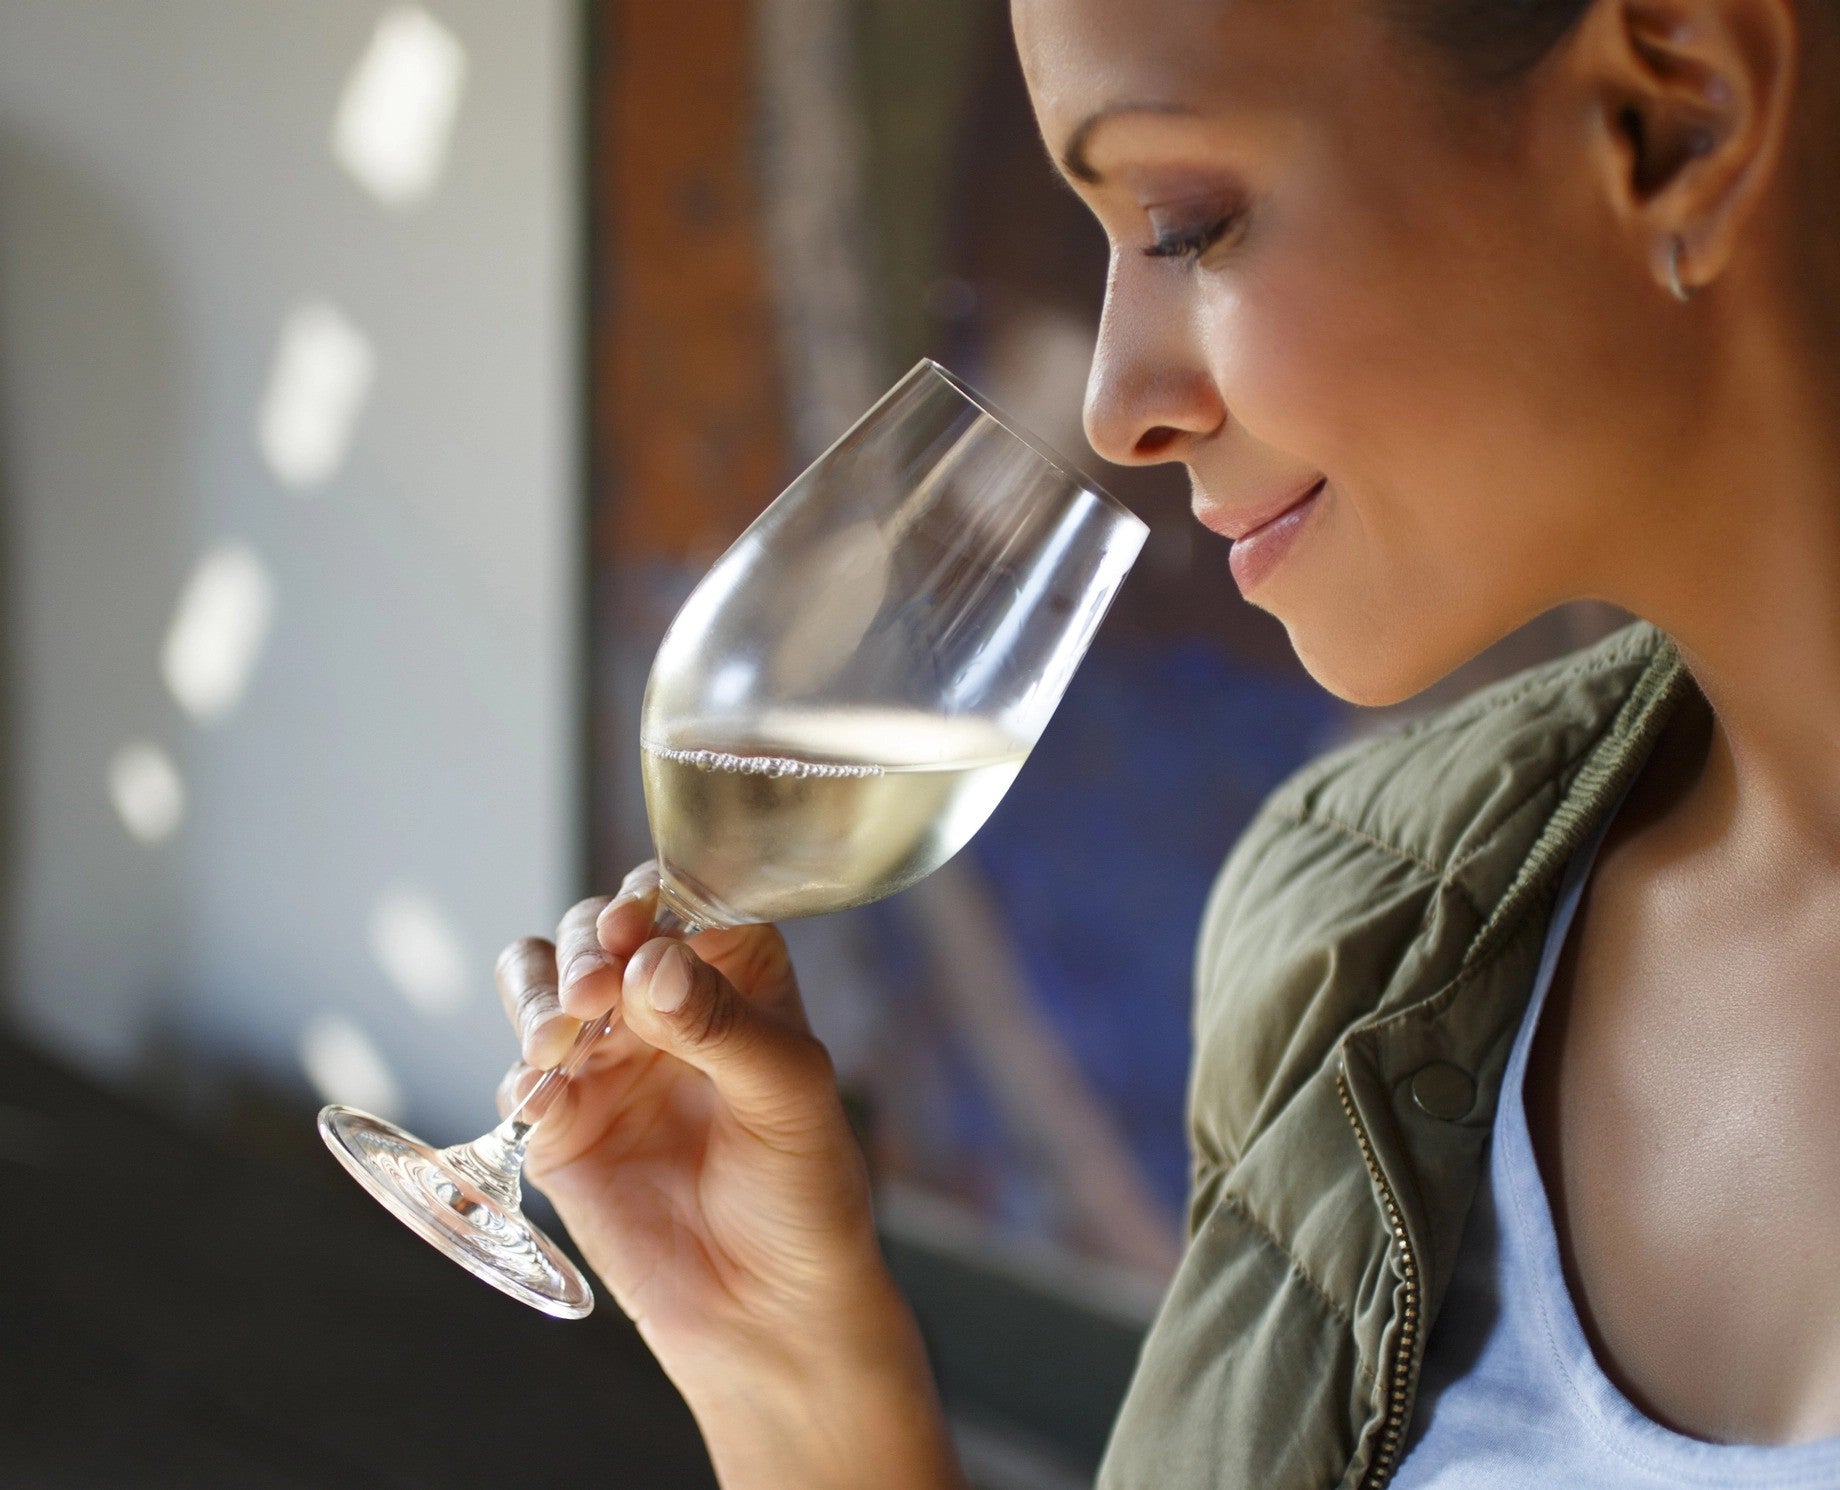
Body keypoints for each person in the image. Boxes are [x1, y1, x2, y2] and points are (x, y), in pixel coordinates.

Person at [492, 0, 1840, 1483]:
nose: (1117, 405)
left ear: (1674, 123)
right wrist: (796, 1382)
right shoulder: (1348, 934)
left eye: (1190, 223)